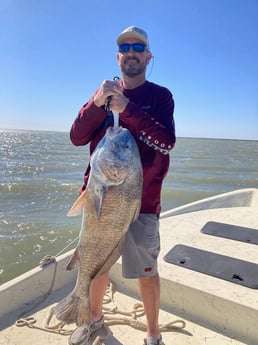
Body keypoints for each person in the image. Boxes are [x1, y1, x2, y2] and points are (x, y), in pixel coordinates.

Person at [69, 26, 176, 345]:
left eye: (138, 47)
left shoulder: (160, 96)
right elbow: (76, 137)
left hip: (143, 204)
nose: (131, 51)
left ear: (148, 56)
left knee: (146, 270)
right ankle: (92, 319)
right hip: (100, 199)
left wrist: (128, 110)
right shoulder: (102, 95)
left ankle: (153, 333)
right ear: (118, 57)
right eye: (125, 47)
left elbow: (167, 142)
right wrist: (96, 102)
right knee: (97, 266)